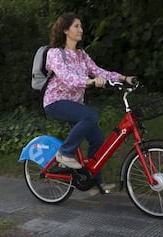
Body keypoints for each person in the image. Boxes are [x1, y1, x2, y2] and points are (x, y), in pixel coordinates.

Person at [43, 12, 135, 191]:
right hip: (56, 102)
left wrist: (124, 78)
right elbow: (67, 77)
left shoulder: (81, 55)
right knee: (91, 115)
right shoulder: (55, 54)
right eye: (76, 26)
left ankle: (93, 182)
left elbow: (98, 71)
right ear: (65, 30)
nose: (81, 30)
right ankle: (65, 153)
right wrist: (90, 81)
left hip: (75, 104)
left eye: (81, 26)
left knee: (97, 139)